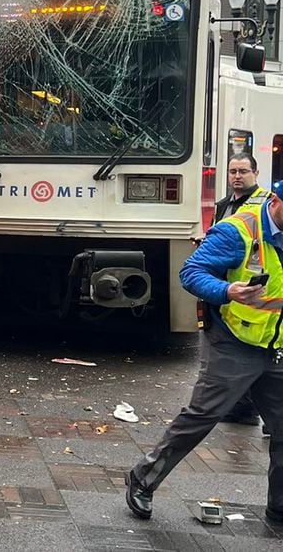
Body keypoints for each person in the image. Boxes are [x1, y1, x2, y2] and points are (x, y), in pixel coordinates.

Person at [125, 181, 283, 522]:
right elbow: (191, 272)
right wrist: (228, 290)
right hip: (233, 340)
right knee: (202, 416)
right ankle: (143, 479)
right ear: (276, 201)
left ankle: (280, 507)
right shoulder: (237, 231)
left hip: (276, 345)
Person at [212, 153, 269, 428]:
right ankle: (241, 406)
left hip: (257, 286)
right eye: (233, 171)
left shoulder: (266, 204)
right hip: (229, 284)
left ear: (255, 174)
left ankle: (253, 411)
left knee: (255, 349)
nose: (237, 176)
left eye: (243, 171)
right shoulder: (224, 204)